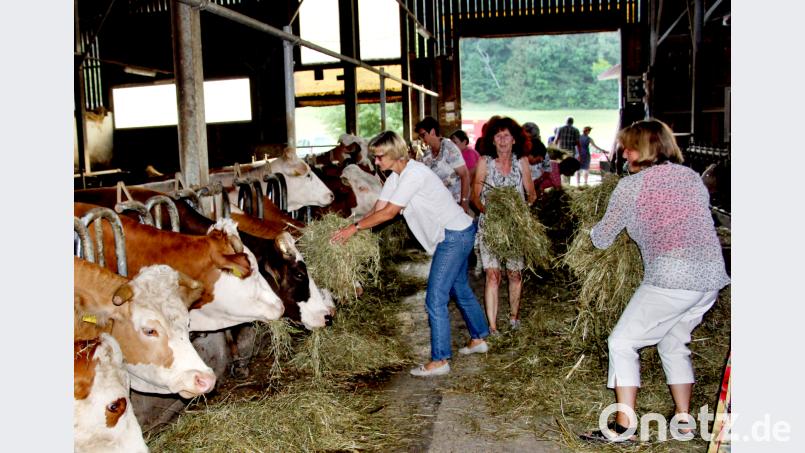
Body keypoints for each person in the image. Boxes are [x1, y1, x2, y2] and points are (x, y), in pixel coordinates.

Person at [579, 119, 730, 443]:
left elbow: (603, 237)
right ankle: (684, 421)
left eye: (628, 146)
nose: (625, 152)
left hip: (672, 278)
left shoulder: (630, 187)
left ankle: (623, 427)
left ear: (639, 150)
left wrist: (589, 231)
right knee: (673, 341)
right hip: (710, 277)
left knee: (621, 342)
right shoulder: (690, 177)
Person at [331, 131, 490, 377]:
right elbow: (379, 206)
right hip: (458, 232)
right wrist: (358, 225)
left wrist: (354, 229)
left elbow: (390, 213)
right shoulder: (397, 175)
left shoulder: (414, 175)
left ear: (394, 154)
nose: (376, 162)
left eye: (379, 157)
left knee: (434, 299)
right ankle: (479, 339)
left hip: (454, 236)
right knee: (460, 288)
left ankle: (440, 360)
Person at [471, 117, 537, 334]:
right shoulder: (485, 162)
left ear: (514, 139)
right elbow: (475, 197)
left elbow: (532, 195)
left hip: (515, 228)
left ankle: (513, 317)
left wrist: (520, 214)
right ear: (492, 139)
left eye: (506, 135)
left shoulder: (522, 163)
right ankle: (492, 326)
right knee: (493, 275)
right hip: (491, 226)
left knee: (515, 274)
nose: (502, 140)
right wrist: (489, 213)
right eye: (497, 136)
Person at [414, 117, 471, 214]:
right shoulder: (427, 155)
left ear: (432, 131)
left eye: (423, 135)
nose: (422, 139)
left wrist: (464, 202)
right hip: (439, 205)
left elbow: (464, 175)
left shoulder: (449, 148)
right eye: (420, 136)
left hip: (456, 203)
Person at [554, 117, 581, 185]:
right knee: (570, 168)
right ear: (572, 122)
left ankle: (559, 183)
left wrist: (553, 150)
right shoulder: (576, 130)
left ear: (566, 122)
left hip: (561, 153)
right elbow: (578, 143)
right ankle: (567, 184)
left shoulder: (560, 128)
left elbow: (556, 140)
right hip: (570, 153)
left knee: (560, 168)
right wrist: (580, 154)